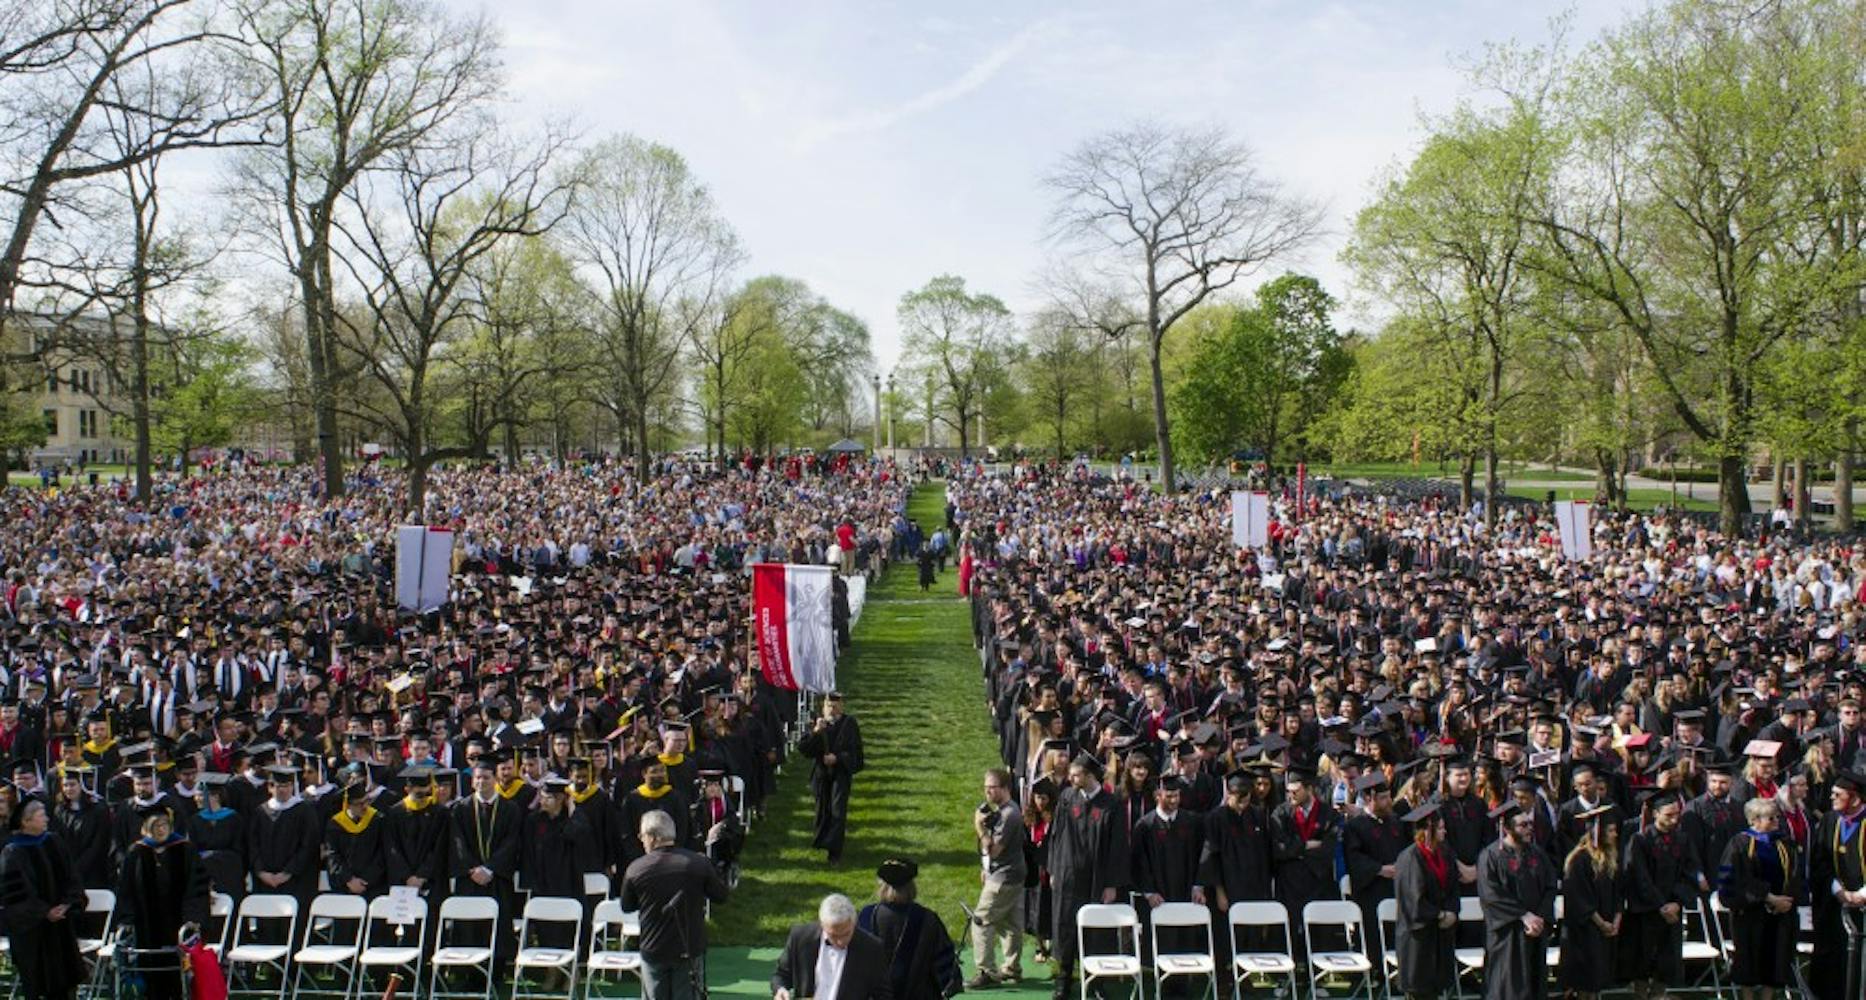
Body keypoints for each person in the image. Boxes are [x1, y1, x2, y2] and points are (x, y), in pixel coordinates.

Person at [620, 810, 731, 1000]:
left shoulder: (636, 869)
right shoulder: (698, 864)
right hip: (688, 947)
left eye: (642, 836)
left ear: (653, 837)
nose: (641, 840)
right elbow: (721, 896)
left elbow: (627, 906)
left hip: (654, 948)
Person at [1045, 753, 1127, 1000]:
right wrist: (1053, 869)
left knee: (1096, 931)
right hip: (1068, 875)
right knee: (1066, 927)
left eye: (1076, 775)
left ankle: (1096, 982)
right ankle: (1064, 979)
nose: (1070, 778)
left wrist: (1112, 884)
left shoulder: (1111, 804)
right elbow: (1056, 835)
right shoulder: (1067, 798)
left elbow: (1118, 847)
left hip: (1097, 878)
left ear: (1090, 776)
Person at [116, 809, 210, 1000]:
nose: (161, 829)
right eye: (156, 825)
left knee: (177, 964)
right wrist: (127, 918)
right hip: (146, 921)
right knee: (150, 967)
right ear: (146, 828)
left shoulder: (185, 849)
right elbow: (126, 890)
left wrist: (192, 917)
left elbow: (197, 886)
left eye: (165, 825)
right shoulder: (136, 852)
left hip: (178, 919)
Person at [0, 800, 87, 1000]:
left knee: (66, 983)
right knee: (39, 982)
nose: (47, 819)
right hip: (33, 930)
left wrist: (67, 903)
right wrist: (44, 912)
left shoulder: (54, 841)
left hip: (61, 924)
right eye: (41, 815)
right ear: (26, 821)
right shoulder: (12, 851)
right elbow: (15, 894)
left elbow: (72, 876)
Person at [1718, 797, 1802, 1000]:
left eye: (1777, 817)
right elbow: (1733, 879)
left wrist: (1786, 900)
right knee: (1748, 960)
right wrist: (1767, 896)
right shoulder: (1739, 843)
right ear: (1754, 820)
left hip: (1780, 914)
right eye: (1770, 818)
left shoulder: (1784, 842)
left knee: (1776, 959)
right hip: (1750, 914)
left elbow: (1796, 875)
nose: (1776, 821)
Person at [1622, 790, 1702, 1000]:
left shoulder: (1683, 840)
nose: (1674, 820)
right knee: (1642, 960)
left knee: (1667, 962)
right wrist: (1661, 905)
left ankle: (1660, 995)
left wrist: (1676, 902)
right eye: (1668, 815)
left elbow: (1691, 873)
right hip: (1645, 911)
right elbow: (1638, 876)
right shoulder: (1640, 840)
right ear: (1655, 814)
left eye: (1677, 814)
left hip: (1672, 912)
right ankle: (1640, 996)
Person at [1476, 801, 1556, 1000]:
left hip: (1535, 930)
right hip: (1507, 933)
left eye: (1530, 824)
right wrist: (1523, 915)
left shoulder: (1537, 854)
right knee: (1508, 985)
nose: (1529, 829)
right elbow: (1491, 895)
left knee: (1535, 982)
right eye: (1523, 825)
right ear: (1506, 828)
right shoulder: (1491, 856)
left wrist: (1539, 918)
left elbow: (1550, 886)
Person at [449, 755, 520, 972]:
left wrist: (490, 868)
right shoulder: (461, 808)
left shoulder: (510, 809)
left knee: (498, 925)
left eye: (486, 778)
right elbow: (457, 842)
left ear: (495, 779)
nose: (481, 782)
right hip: (469, 878)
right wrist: (472, 869)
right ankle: (467, 972)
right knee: (468, 925)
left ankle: (496, 971)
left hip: (497, 878)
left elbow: (512, 842)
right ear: (472, 781)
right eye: (477, 778)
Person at [857, 859, 964, 1000]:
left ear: (882, 885)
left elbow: (854, 964)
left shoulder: (866, 916)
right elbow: (945, 968)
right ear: (911, 886)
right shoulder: (928, 919)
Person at [1807, 768, 1866, 1000]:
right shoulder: (1830, 820)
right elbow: (1818, 861)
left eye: (1837, 794)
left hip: (1863, 904)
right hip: (1833, 904)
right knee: (1831, 956)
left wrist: (1862, 894)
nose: (1831, 798)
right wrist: (1838, 890)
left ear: (1855, 798)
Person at [1392, 801, 1457, 1000]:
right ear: (1428, 829)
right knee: (1419, 991)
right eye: (1441, 828)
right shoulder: (1409, 858)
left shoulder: (1444, 853)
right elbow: (1413, 900)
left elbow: (1453, 887)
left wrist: (1452, 911)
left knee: (1436, 988)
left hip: (1439, 934)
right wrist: (1440, 915)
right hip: (1418, 936)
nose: (1445, 831)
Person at [773, 893, 893, 1000]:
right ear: (822, 924)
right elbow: (782, 974)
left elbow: (883, 994)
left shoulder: (871, 948)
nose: (840, 941)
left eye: (846, 934)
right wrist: (780, 989)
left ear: (854, 923)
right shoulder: (800, 938)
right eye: (833, 936)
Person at [969, 767, 1025, 988]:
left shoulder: (1009, 815)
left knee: (981, 921)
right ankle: (1012, 968)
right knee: (1010, 924)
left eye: (992, 788)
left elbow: (994, 851)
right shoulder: (1006, 811)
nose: (988, 792)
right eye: (985, 788)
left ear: (1005, 788)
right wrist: (986, 868)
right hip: (1011, 873)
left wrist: (979, 827)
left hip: (1004, 877)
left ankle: (987, 973)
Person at [1559, 804, 1622, 1000]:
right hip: (1584, 930)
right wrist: (1601, 923)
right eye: (1610, 831)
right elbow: (1579, 898)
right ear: (1597, 833)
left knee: (1599, 978)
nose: (1615, 835)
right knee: (1585, 979)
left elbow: (1619, 892)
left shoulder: (1611, 858)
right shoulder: (1578, 860)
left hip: (1606, 928)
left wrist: (1616, 919)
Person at [800, 692, 865, 864]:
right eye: (829, 706)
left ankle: (834, 851)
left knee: (837, 810)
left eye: (835, 707)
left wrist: (838, 758)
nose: (832, 710)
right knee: (822, 808)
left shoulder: (849, 724)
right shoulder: (816, 723)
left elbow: (856, 753)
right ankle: (821, 840)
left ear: (841, 707)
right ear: (823, 707)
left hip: (840, 774)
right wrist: (816, 732)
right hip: (821, 774)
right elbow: (804, 749)